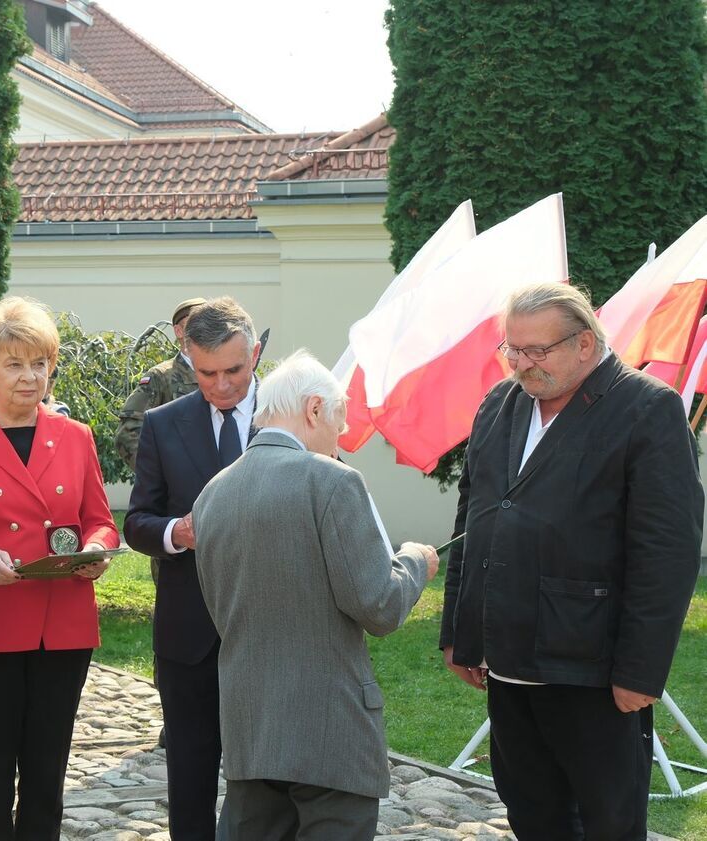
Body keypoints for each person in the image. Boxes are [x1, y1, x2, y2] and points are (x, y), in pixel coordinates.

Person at [441, 282, 703, 840]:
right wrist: (461, 633)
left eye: (537, 351)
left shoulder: (647, 408)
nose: (521, 364)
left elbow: (667, 552)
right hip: (507, 659)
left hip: (591, 668)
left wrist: (640, 671)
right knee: (531, 813)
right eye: (512, 349)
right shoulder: (499, 404)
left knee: (606, 821)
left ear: (585, 343)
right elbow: (474, 520)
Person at [193, 350, 438, 841]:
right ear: (313, 410)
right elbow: (380, 605)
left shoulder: (212, 493)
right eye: (338, 423)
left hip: (249, 729)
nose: (338, 440)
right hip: (330, 731)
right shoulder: (332, 481)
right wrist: (415, 561)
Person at [0, 296, 119, 840]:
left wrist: (96, 551)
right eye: (14, 364)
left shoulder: (76, 436)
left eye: (40, 363)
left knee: (48, 768)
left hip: (63, 624)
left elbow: (100, 520)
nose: (30, 377)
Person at [124, 296, 261, 841]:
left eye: (234, 370)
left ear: (255, 354)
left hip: (272, 628)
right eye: (207, 373)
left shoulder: (295, 412)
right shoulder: (163, 423)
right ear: (187, 357)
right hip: (189, 633)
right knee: (190, 775)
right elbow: (137, 521)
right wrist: (175, 533)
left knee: (270, 778)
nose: (223, 385)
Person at [114, 296, 204, 470]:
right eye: (195, 324)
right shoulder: (161, 376)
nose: (205, 330)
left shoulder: (223, 374)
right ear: (179, 331)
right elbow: (127, 434)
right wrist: (160, 475)